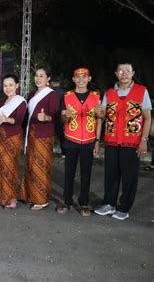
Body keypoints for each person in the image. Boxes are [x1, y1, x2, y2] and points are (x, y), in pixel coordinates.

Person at [94, 62, 152, 220]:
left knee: (129, 177)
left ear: (133, 73)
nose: (124, 73)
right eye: (121, 71)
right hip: (112, 141)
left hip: (132, 142)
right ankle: (109, 204)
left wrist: (144, 140)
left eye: (127, 71)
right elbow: (103, 115)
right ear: (116, 73)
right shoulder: (109, 93)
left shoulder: (141, 91)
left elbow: (147, 118)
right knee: (111, 175)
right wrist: (98, 111)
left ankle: (124, 207)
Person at [56, 68, 102, 216]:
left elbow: (99, 119)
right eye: (78, 77)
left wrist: (97, 141)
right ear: (73, 79)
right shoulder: (66, 96)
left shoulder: (95, 97)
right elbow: (62, 118)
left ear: (89, 78)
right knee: (69, 172)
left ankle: (83, 203)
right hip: (71, 139)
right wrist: (66, 116)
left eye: (84, 77)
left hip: (89, 140)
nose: (81, 79)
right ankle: (67, 202)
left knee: (86, 173)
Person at [20, 68, 59, 211]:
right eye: (36, 75)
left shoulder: (51, 95)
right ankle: (30, 195)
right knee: (31, 165)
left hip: (44, 135)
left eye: (42, 76)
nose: (38, 78)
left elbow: (54, 115)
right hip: (32, 134)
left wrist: (46, 117)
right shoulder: (32, 94)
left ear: (48, 78)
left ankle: (41, 199)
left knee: (40, 166)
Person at [0, 74, 27, 208]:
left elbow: (19, 119)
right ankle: (2, 196)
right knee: (0, 167)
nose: (8, 88)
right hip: (0, 138)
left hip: (12, 137)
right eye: (5, 85)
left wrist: (8, 120)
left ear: (17, 86)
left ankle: (11, 198)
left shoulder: (20, 101)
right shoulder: (2, 102)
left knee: (10, 167)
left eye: (11, 85)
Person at [50, 76, 67, 157]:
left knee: (49, 135)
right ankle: (64, 153)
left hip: (51, 117)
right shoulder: (64, 92)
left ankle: (48, 151)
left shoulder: (50, 92)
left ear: (52, 83)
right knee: (61, 136)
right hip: (61, 117)